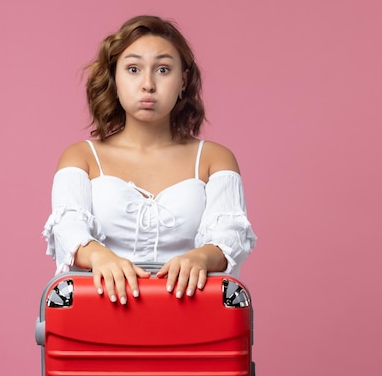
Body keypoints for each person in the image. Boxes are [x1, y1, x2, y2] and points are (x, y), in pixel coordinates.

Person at [42, 15, 256, 306]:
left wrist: (200, 257)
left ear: (183, 81)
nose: (148, 84)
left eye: (163, 69)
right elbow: (68, 230)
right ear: (114, 78)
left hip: (191, 312)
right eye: (133, 69)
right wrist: (101, 257)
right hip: (99, 314)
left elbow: (230, 237)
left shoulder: (215, 159)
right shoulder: (81, 157)